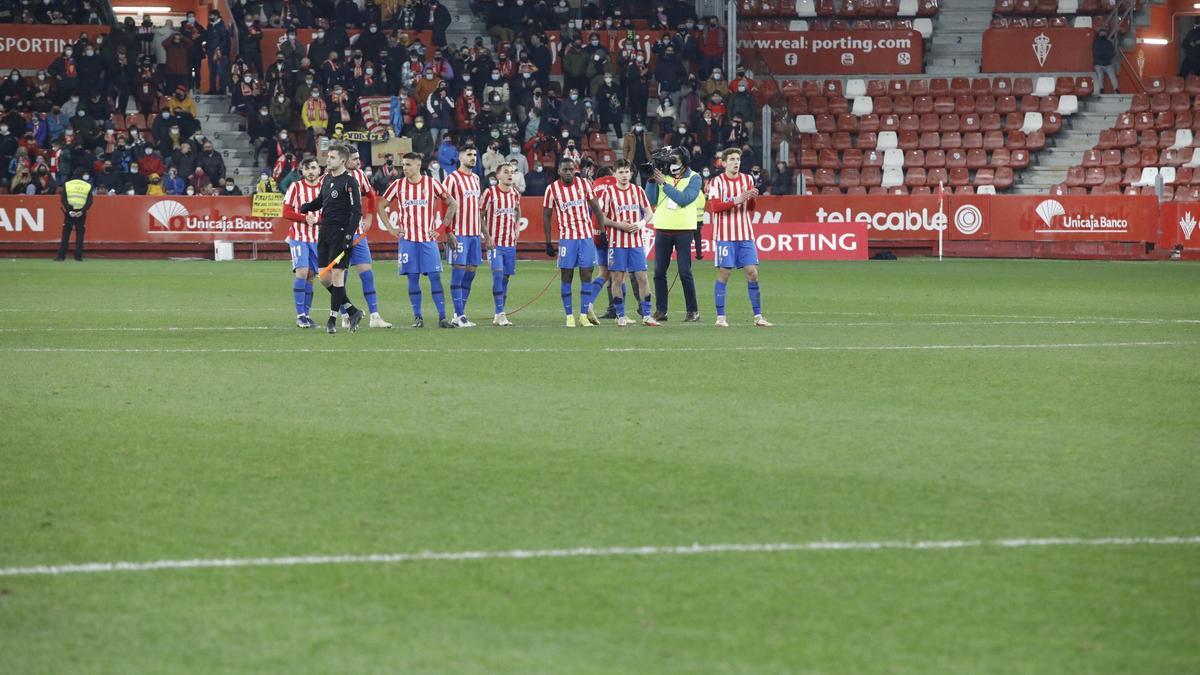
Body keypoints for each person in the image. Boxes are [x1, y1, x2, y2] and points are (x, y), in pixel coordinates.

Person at [379, 152, 459, 328]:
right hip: (407, 241)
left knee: (435, 277)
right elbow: (381, 205)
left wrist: (440, 229)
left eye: (408, 165)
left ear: (418, 165)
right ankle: (418, 317)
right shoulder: (398, 185)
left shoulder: (431, 183)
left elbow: (453, 203)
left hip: (427, 240)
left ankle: (442, 318)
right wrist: (391, 228)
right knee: (412, 278)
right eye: (404, 165)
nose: (405, 168)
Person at [298, 144, 367, 334]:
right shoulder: (327, 179)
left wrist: (348, 235)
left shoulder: (350, 182)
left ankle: (332, 320)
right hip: (325, 232)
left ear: (342, 161)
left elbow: (356, 211)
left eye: (332, 157)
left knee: (337, 275)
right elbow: (322, 200)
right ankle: (352, 311)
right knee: (323, 277)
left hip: (341, 232)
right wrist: (308, 207)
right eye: (328, 157)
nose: (327, 160)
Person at [541, 157, 615, 327]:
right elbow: (546, 215)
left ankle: (583, 315)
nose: (568, 172)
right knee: (566, 275)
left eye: (571, 169)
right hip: (567, 238)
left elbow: (596, 208)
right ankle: (569, 316)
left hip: (586, 236)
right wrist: (548, 242)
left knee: (586, 274)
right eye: (565, 170)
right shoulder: (552, 189)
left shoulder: (585, 184)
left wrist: (603, 231)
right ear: (559, 171)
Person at [706, 147, 770, 327]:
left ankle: (758, 317)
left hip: (745, 234)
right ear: (724, 163)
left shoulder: (747, 179)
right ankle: (720, 317)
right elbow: (715, 207)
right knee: (724, 273)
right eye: (732, 159)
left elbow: (750, 208)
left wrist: (752, 198)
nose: (736, 162)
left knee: (752, 273)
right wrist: (737, 199)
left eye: (738, 159)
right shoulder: (716, 182)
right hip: (725, 234)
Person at [645, 145, 703, 322]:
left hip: (684, 229)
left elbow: (684, 199)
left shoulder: (695, 178)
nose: (670, 164)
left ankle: (693, 311)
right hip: (663, 227)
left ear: (684, 161)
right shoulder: (664, 175)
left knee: (685, 271)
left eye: (674, 160)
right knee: (658, 272)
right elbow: (651, 199)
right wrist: (651, 180)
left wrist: (664, 183)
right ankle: (661, 311)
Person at [598, 160, 657, 327]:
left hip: (636, 241)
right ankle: (620, 315)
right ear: (614, 174)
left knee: (643, 277)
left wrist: (639, 224)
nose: (624, 175)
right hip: (616, 242)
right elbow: (600, 217)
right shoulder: (608, 192)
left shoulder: (638, 191)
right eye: (621, 172)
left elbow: (648, 213)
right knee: (617, 278)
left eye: (627, 172)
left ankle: (647, 315)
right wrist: (619, 225)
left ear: (631, 173)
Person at [346, 149, 393, 328]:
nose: (359, 161)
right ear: (344, 159)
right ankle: (345, 314)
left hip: (358, 234)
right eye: (355, 158)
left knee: (367, 274)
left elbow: (371, 195)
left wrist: (370, 216)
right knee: (339, 276)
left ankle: (375, 316)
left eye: (359, 157)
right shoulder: (330, 177)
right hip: (339, 236)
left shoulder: (359, 175)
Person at [443, 144, 484, 327]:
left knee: (471, 273)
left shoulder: (476, 178)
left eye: (475, 154)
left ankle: (460, 313)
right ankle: (459, 315)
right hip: (459, 233)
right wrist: (448, 231)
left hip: (474, 233)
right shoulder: (451, 179)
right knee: (458, 273)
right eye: (469, 154)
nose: (473, 157)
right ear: (460, 157)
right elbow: (445, 206)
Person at [282, 157, 324, 327]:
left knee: (311, 276)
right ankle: (300, 316)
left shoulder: (325, 188)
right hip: (298, 237)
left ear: (319, 170)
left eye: (313, 168)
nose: (311, 172)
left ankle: (306, 316)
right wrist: (304, 218)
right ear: (302, 172)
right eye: (307, 169)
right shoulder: (296, 187)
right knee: (302, 272)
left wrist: (318, 220)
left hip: (318, 238)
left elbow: (329, 212)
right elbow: (286, 212)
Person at [480, 162, 522, 326]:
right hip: (494, 243)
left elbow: (518, 210)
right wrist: (487, 236)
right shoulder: (489, 193)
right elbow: (480, 215)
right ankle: (500, 312)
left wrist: (517, 227)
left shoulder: (515, 194)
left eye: (511, 172)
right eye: (506, 172)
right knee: (498, 274)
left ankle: (499, 313)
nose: (510, 175)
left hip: (510, 243)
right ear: (497, 176)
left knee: (505, 277)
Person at [55, 170, 93, 262]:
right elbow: (90, 201)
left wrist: (69, 211)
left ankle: (61, 256)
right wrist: (82, 211)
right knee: (80, 235)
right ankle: (78, 256)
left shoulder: (67, 184)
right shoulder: (87, 186)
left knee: (66, 235)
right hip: (81, 213)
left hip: (69, 213)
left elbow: (63, 199)